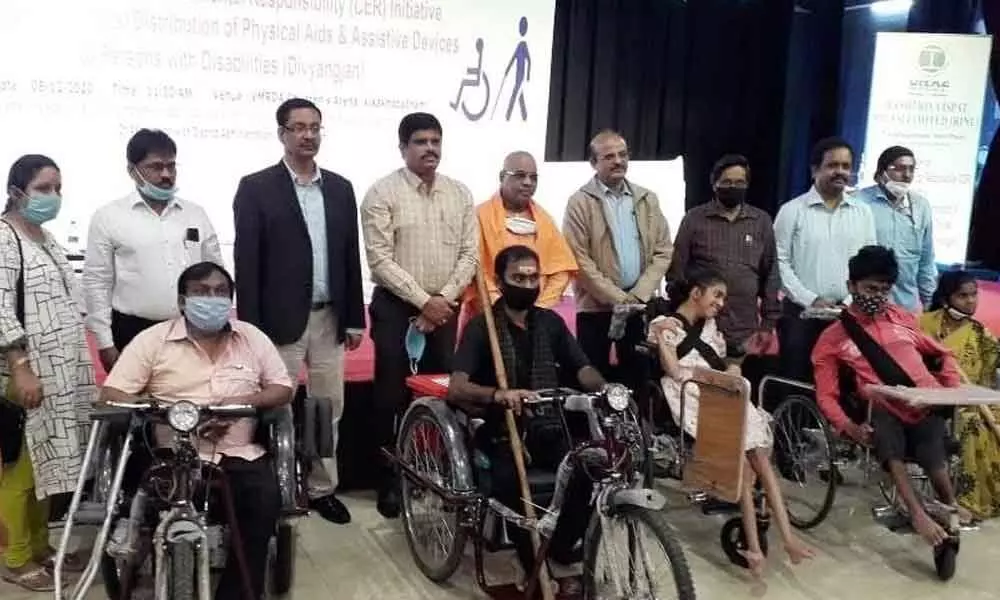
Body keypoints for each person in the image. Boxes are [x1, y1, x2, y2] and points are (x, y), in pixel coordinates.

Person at [100, 262, 293, 600]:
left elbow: (282, 387)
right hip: (171, 454)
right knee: (145, 503)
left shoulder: (251, 337)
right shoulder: (153, 341)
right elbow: (113, 392)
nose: (212, 298)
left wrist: (240, 402)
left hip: (239, 453)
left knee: (264, 500)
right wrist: (167, 412)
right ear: (182, 301)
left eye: (220, 292)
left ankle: (236, 593)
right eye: (201, 292)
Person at [233, 97, 365, 525]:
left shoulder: (341, 188)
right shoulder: (256, 187)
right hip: (278, 320)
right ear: (282, 134)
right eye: (299, 127)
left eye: (315, 127)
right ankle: (276, 487)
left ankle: (323, 487)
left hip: (330, 319)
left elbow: (349, 256)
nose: (308, 135)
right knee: (278, 407)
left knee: (330, 408)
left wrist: (354, 317)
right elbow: (247, 264)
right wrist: (250, 329)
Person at [448, 245, 605, 592]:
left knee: (590, 467)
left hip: (548, 424)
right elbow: (457, 389)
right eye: (519, 277)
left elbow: (583, 369)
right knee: (508, 484)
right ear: (500, 283)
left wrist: (607, 389)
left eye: (534, 277)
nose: (528, 283)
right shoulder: (482, 327)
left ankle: (561, 546)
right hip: (501, 431)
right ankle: (530, 559)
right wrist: (498, 395)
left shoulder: (550, 323)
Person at [650, 267, 814, 576]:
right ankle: (753, 547)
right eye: (717, 295)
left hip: (720, 388)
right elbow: (672, 370)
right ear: (696, 293)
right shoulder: (665, 325)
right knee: (741, 468)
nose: (721, 303)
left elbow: (721, 363)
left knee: (761, 463)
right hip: (690, 392)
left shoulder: (711, 328)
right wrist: (661, 337)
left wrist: (734, 369)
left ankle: (789, 540)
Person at [361, 112, 478, 518]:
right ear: (403, 147)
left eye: (435, 141)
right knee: (391, 395)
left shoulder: (460, 193)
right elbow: (379, 259)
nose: (430, 148)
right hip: (396, 307)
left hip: (445, 308)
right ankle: (391, 480)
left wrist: (441, 300)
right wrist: (421, 301)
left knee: (441, 392)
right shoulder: (382, 192)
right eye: (420, 142)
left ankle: (436, 471)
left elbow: (470, 255)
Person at [812, 246, 965, 546]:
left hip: (926, 404)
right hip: (882, 409)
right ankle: (916, 512)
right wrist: (849, 428)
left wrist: (951, 391)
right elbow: (826, 395)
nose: (877, 296)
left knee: (932, 448)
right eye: (870, 288)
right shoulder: (833, 338)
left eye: (884, 289)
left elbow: (942, 354)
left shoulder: (903, 319)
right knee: (886, 431)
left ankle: (951, 508)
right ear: (851, 286)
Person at [0, 155, 96, 591]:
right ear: (16, 190)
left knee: (46, 469)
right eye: (43, 188)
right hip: (24, 374)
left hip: (58, 373)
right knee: (20, 471)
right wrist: (20, 368)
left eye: (57, 187)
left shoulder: (46, 236)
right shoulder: (4, 237)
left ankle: (40, 546)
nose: (53, 196)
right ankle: (14, 557)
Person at [84, 129, 223, 371]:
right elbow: (97, 283)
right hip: (131, 330)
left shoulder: (195, 214)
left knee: (191, 402)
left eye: (171, 166)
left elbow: (216, 272)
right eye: (156, 167)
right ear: (132, 171)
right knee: (137, 405)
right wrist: (105, 343)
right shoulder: (108, 216)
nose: (166, 174)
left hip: (191, 328)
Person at [562, 130, 672, 385]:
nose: (618, 161)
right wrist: (618, 299)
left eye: (622, 154)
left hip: (638, 306)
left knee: (638, 378)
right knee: (592, 380)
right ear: (593, 163)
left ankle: (636, 425)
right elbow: (578, 259)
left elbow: (664, 249)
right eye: (609, 156)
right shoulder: (579, 202)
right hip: (595, 309)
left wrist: (636, 297)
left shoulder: (647, 199)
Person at [773, 137, 876, 382]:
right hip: (801, 315)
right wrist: (811, 299)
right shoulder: (792, 211)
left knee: (844, 386)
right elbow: (779, 263)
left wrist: (851, 301)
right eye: (832, 165)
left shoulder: (863, 213)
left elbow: (868, 264)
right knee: (798, 382)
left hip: (848, 314)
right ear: (815, 169)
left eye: (846, 166)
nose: (840, 172)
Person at [667, 154, 779, 357]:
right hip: (701, 327)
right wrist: (683, 313)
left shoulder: (761, 221)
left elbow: (771, 273)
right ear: (714, 184)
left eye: (739, 182)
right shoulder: (694, 219)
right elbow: (677, 269)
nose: (733, 187)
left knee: (737, 384)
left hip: (745, 329)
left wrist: (768, 323)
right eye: (727, 182)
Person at [919, 270, 1000, 519]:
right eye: (963, 295)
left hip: (972, 398)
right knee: (972, 424)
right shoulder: (924, 324)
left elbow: (990, 374)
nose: (970, 301)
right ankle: (965, 500)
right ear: (946, 298)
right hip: (932, 400)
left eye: (974, 295)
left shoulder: (981, 334)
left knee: (988, 418)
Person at [461, 150, 576, 318]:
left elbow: (561, 270)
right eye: (520, 175)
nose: (528, 183)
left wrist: (539, 308)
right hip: (489, 317)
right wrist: (503, 310)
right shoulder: (479, 217)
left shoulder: (545, 221)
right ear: (502, 177)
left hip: (534, 318)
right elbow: (476, 272)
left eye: (533, 177)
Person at [855, 146, 936, 312]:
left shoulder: (921, 206)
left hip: (906, 307)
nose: (906, 175)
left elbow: (926, 261)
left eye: (911, 169)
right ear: (882, 172)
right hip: (867, 304)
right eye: (899, 169)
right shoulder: (859, 202)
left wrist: (930, 302)